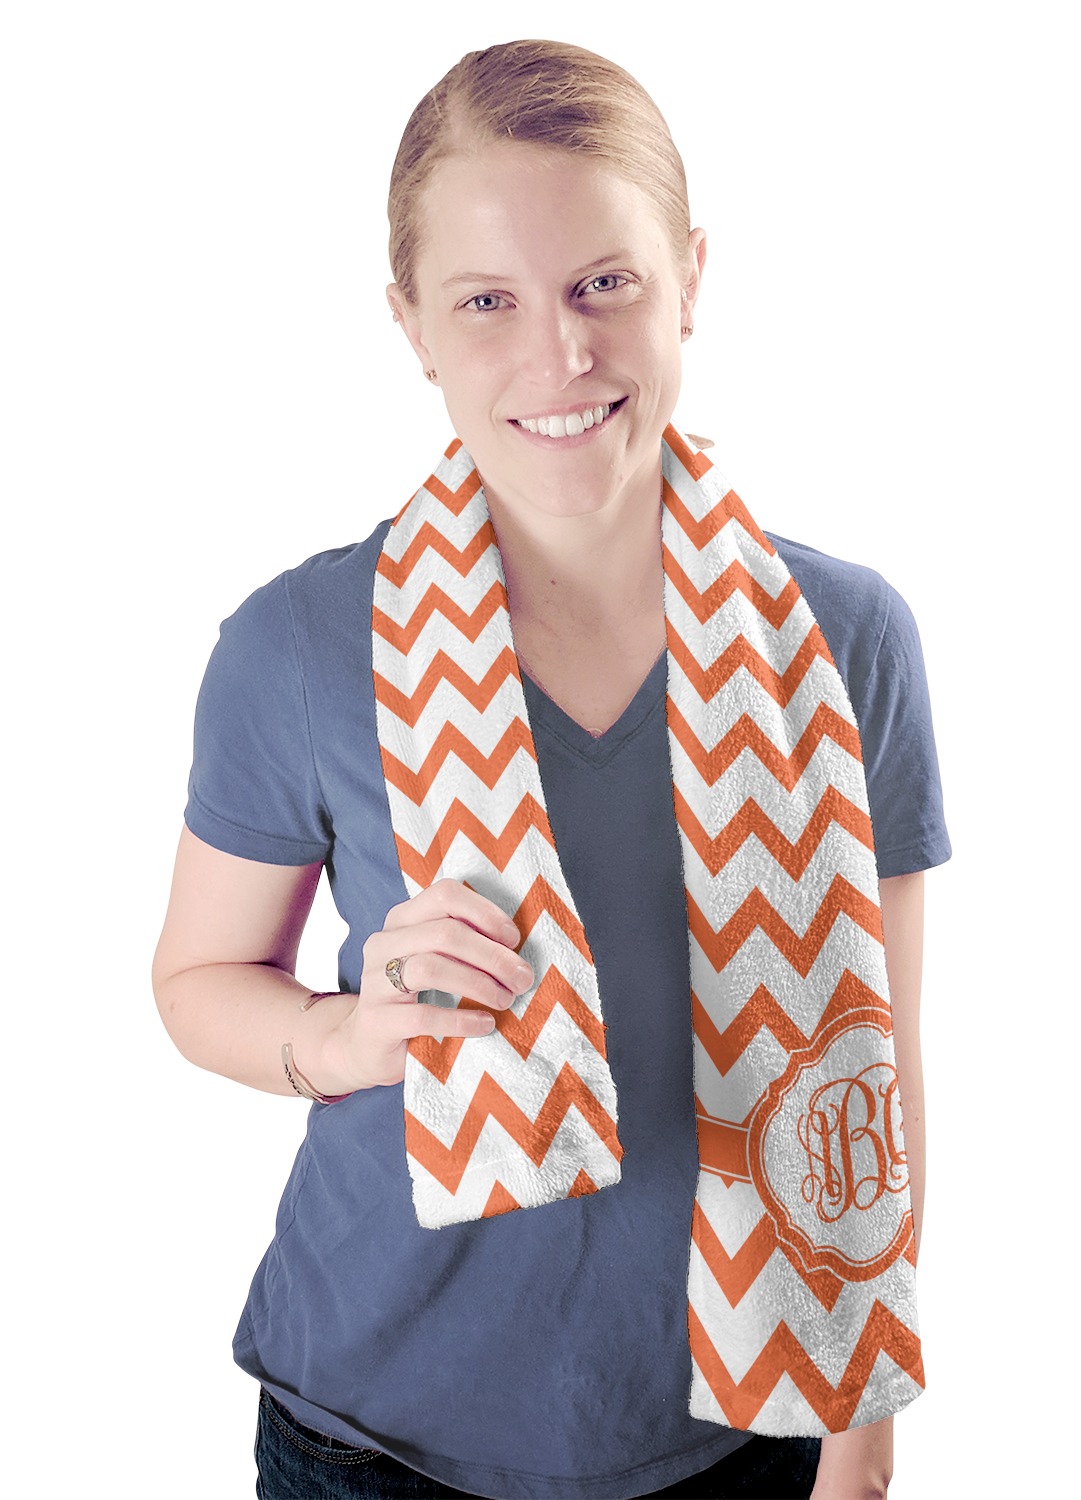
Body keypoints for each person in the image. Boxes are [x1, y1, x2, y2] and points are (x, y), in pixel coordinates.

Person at [153, 39, 951, 1500]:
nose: (560, 354)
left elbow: (876, 1066)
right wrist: (347, 1038)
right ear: (411, 323)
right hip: (368, 1433)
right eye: (486, 301)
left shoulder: (848, 637)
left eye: (605, 283)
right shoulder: (299, 645)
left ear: (689, 278)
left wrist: (860, 1433)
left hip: (740, 1414)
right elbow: (199, 982)